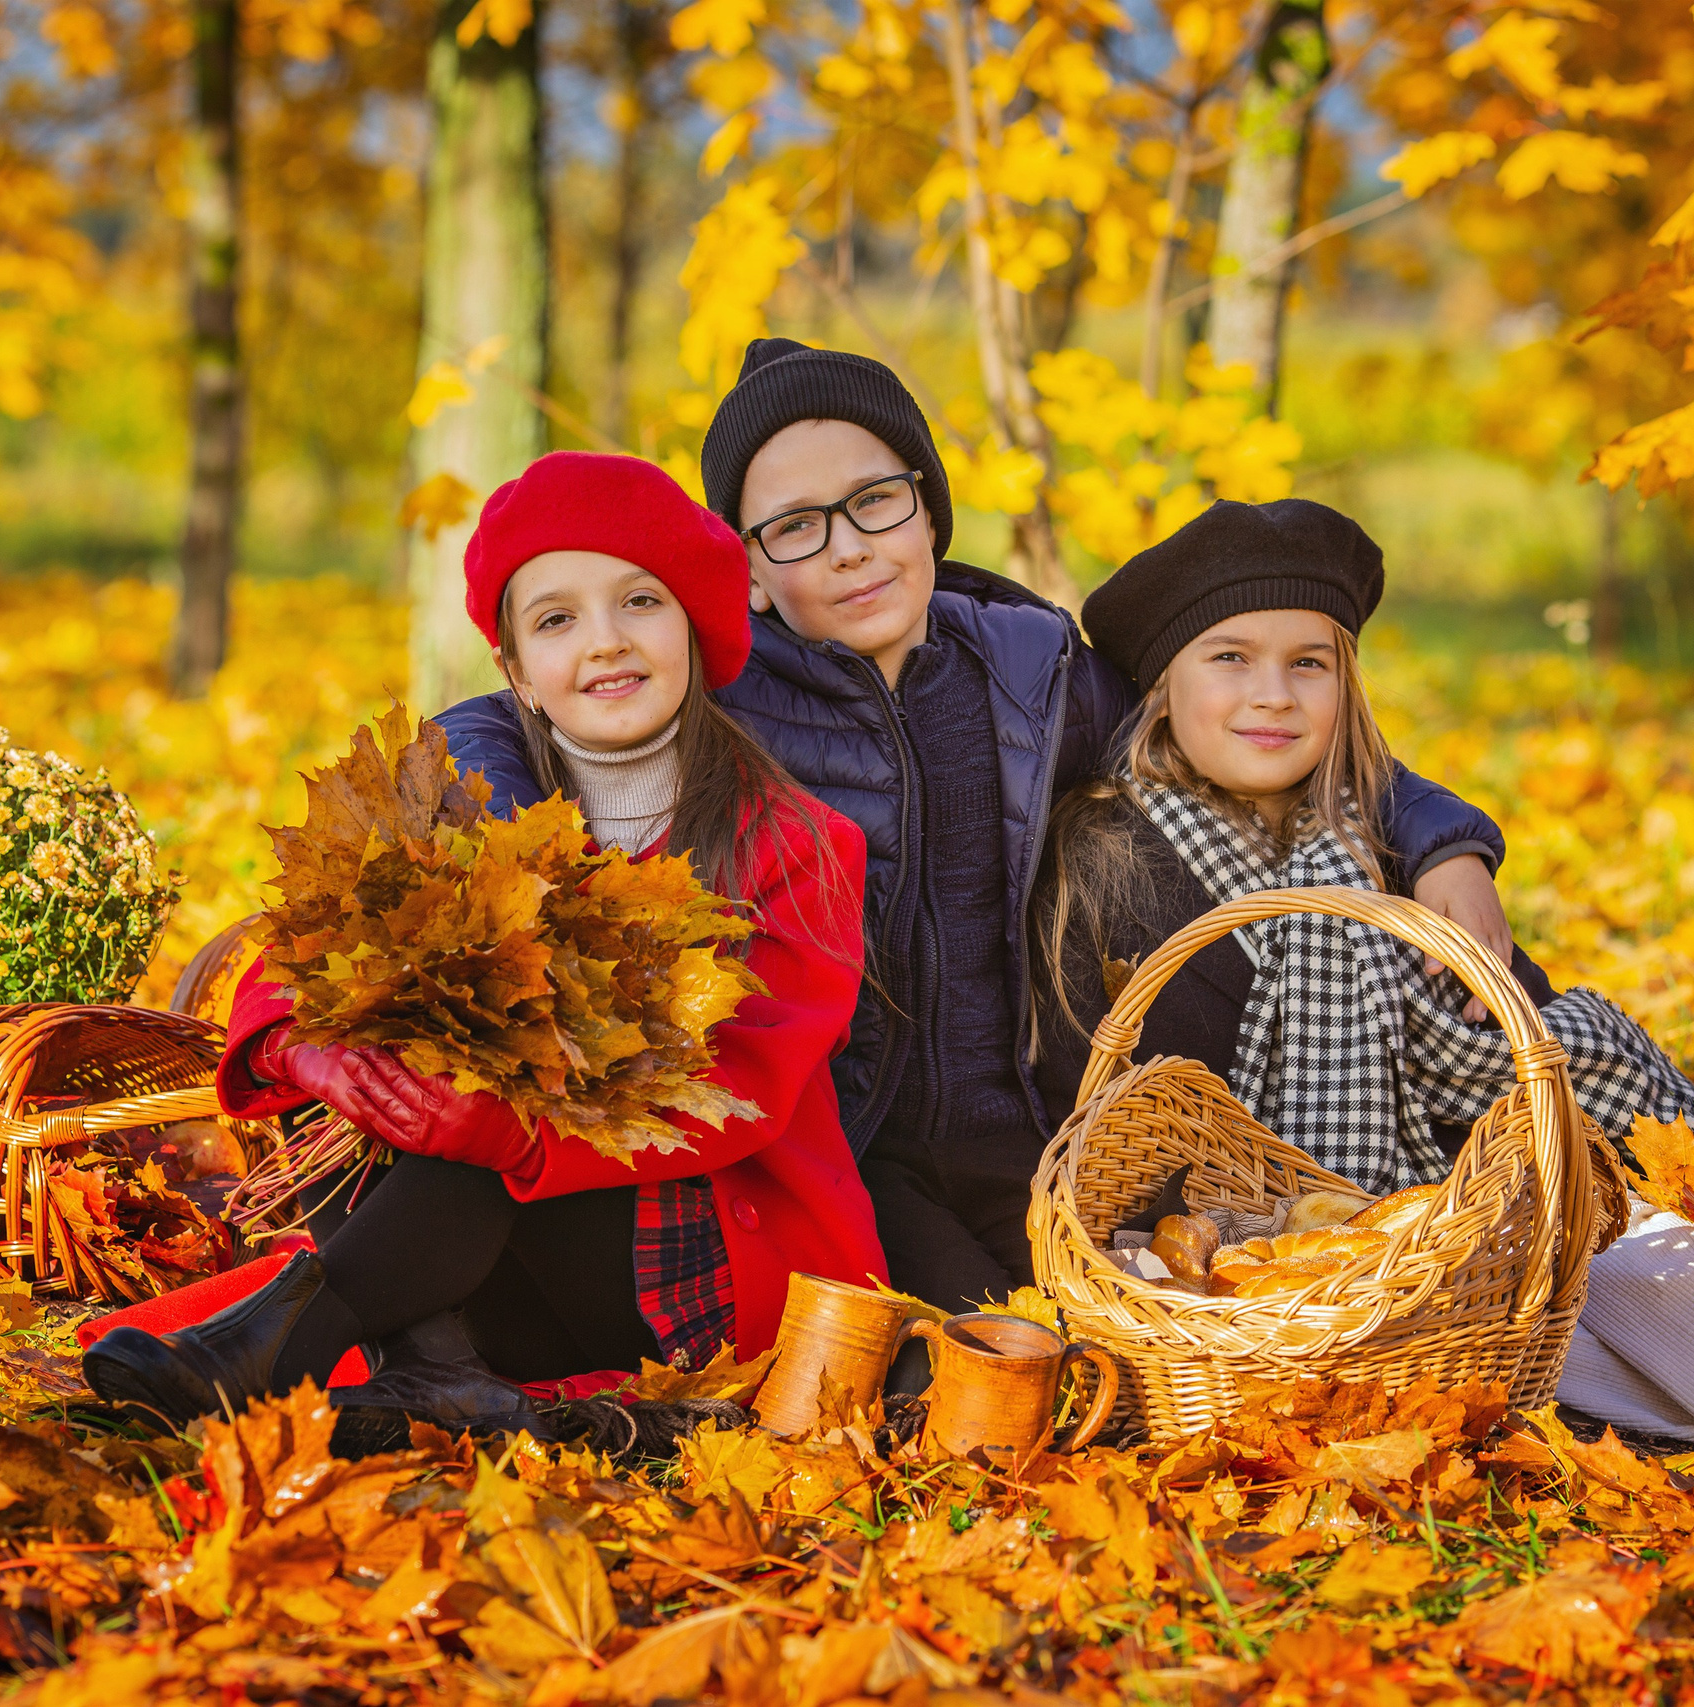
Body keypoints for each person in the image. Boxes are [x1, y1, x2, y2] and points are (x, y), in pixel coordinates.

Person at [1030, 496, 1694, 1486]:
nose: (1272, 695)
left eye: (1309, 663)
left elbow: (1507, 1044)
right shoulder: (1117, 872)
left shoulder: (1374, 844)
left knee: (1621, 1263)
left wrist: (1449, 865)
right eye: (1230, 658)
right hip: (1273, 1269)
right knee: (1584, 1321)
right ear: (1161, 686)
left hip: (1438, 1213)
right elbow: (1137, 1120)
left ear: (1344, 681)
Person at [438, 338, 1522, 1327]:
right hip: (862, 1149)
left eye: (876, 503)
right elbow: (503, 718)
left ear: (927, 511)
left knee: (1121, 1333)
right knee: (1000, 1342)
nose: (851, 550)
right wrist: (483, 798)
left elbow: (1230, 721)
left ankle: (1529, 1146)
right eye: (796, 528)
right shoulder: (722, 689)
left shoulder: (1030, 669)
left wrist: (1443, 840)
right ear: (752, 571)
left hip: (1038, 1131)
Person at [85, 453, 883, 1446]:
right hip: (493, 1281)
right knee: (382, 1046)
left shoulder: (796, 843)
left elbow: (744, 1088)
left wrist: (513, 1132)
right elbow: (292, 964)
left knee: (491, 1093)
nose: (604, 642)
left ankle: (270, 1354)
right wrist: (316, 1053)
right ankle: (432, 1379)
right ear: (516, 674)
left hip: (695, 1268)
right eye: (556, 620)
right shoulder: (471, 809)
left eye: (640, 601)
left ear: (696, 629)